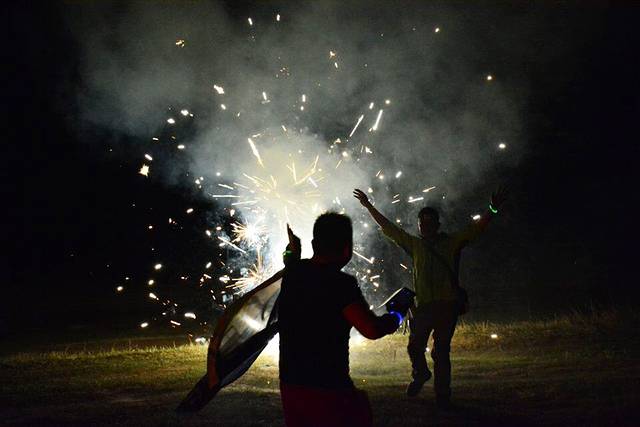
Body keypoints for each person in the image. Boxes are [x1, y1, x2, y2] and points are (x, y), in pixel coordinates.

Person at [353, 187, 507, 408]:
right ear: (419, 225)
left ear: (437, 224)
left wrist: (492, 209)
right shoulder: (415, 245)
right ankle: (421, 373)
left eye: (428, 222)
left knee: (441, 352)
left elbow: (476, 229)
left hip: (446, 306)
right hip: (424, 307)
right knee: (415, 347)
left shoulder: (451, 243)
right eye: (421, 222)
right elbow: (389, 228)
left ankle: (442, 396)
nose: (424, 226)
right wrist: (368, 206)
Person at [278, 213, 407, 427]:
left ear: (314, 244)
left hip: (291, 384)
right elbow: (371, 329)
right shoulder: (341, 284)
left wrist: (293, 251)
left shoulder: (293, 273)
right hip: (328, 386)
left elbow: (291, 261)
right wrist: (397, 315)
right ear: (347, 249)